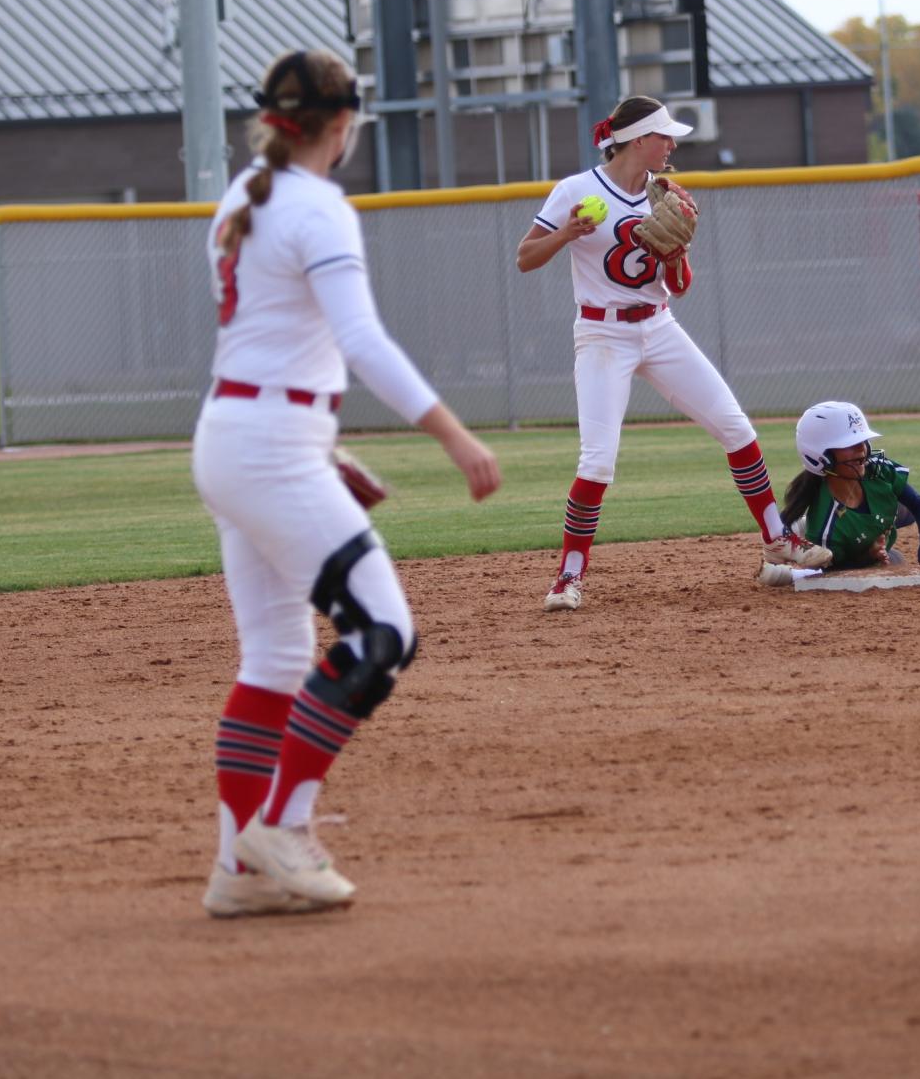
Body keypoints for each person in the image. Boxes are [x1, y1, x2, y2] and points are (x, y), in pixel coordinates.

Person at [192, 49, 501, 918]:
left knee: (278, 658)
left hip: (237, 436)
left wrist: (309, 443)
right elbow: (359, 341)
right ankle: (280, 829)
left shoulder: (245, 194)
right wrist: (455, 436)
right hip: (269, 445)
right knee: (383, 633)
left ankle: (237, 873)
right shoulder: (316, 207)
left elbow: (269, 339)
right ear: (344, 123)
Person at [517, 96, 831, 611]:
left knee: (736, 428)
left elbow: (678, 286)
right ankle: (568, 576)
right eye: (664, 136)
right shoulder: (576, 191)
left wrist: (676, 254)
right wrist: (568, 233)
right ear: (637, 140)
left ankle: (778, 538)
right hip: (601, 335)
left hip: (658, 328)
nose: (672, 145)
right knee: (597, 463)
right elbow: (525, 257)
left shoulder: (665, 195)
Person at [764, 400, 920, 585]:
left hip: (883, 516)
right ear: (820, 456)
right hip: (847, 540)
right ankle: (793, 573)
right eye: (849, 444)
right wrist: (868, 555)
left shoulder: (876, 469)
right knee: (886, 562)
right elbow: (837, 573)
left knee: (905, 516)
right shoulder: (826, 527)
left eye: (863, 441)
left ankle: (799, 526)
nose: (862, 450)